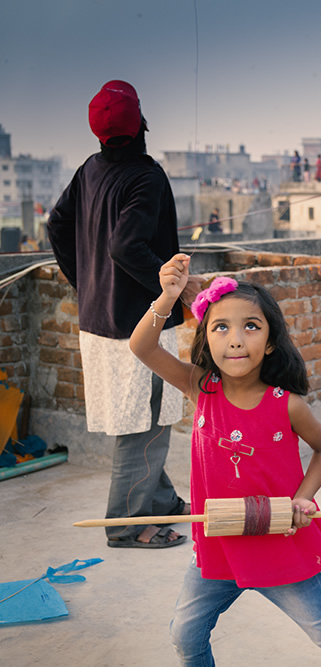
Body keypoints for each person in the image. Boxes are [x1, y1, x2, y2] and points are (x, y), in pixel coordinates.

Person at [130, 255, 321, 666]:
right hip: (220, 545)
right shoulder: (200, 387)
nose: (235, 339)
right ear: (206, 339)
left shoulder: (289, 406)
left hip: (280, 541)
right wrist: (167, 296)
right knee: (185, 635)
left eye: (250, 326)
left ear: (268, 342)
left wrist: (304, 498)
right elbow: (141, 346)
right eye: (220, 327)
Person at [47, 80, 200, 549]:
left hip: (99, 321)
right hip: (139, 324)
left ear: (98, 134)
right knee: (145, 423)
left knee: (149, 415)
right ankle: (127, 524)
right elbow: (124, 246)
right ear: (141, 125)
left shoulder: (88, 171)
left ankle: (163, 499)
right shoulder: (146, 175)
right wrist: (171, 286)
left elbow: (56, 224)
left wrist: (85, 284)